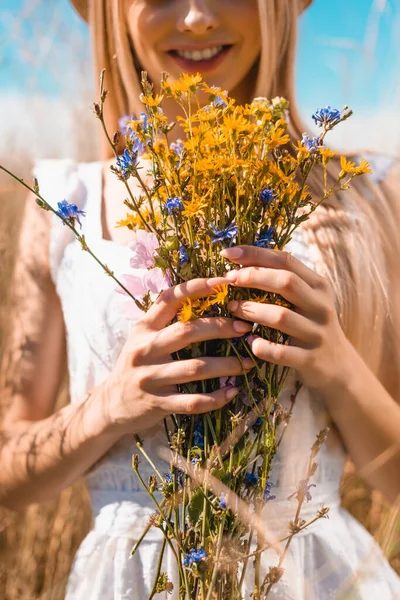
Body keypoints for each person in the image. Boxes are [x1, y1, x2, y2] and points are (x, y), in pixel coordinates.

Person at [0, 0, 400, 598]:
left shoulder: (365, 194)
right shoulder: (60, 204)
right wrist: (107, 407)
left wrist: (340, 367)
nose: (195, 19)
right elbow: (9, 473)